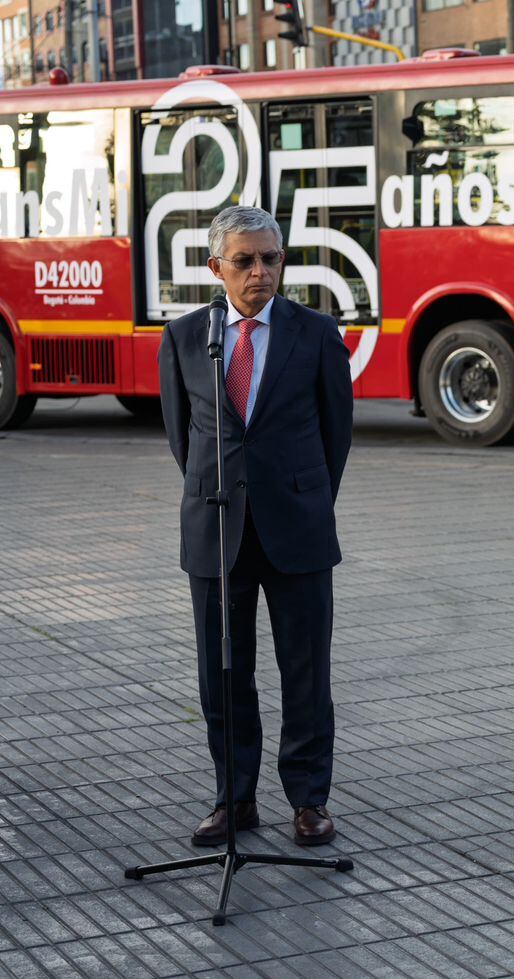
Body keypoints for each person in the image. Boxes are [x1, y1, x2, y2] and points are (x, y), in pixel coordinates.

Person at [158, 205, 354, 848]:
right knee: (223, 673)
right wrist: (226, 493)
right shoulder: (187, 337)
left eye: (270, 258)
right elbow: (184, 439)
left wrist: (301, 497)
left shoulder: (317, 332)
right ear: (216, 267)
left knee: (306, 673)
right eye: (243, 261)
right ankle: (233, 799)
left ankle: (308, 800)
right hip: (216, 529)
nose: (260, 272)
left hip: (297, 529)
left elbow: (336, 436)